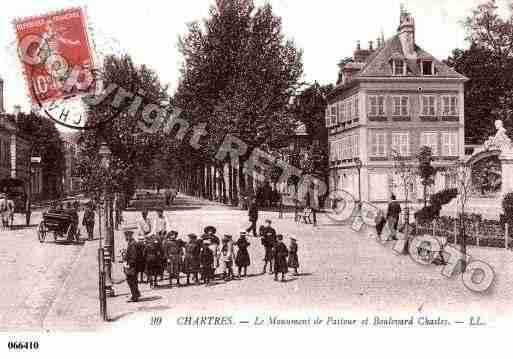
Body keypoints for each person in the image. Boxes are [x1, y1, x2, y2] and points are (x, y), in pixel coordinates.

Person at [123, 225, 141, 302]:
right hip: (133, 265)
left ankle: (135, 296)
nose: (125, 237)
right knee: (133, 280)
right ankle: (136, 293)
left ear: (129, 236)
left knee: (131, 280)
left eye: (126, 236)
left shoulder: (132, 244)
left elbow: (134, 256)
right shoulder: (131, 243)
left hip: (132, 266)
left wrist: (129, 264)